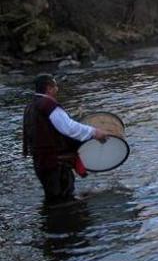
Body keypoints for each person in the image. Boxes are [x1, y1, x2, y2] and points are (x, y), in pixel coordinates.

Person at [23, 74, 109, 204]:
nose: (57, 89)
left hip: (41, 162)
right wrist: (94, 132)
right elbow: (69, 128)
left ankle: (53, 221)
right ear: (49, 88)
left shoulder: (31, 106)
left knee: (53, 199)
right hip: (55, 163)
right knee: (63, 200)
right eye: (55, 86)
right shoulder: (48, 105)